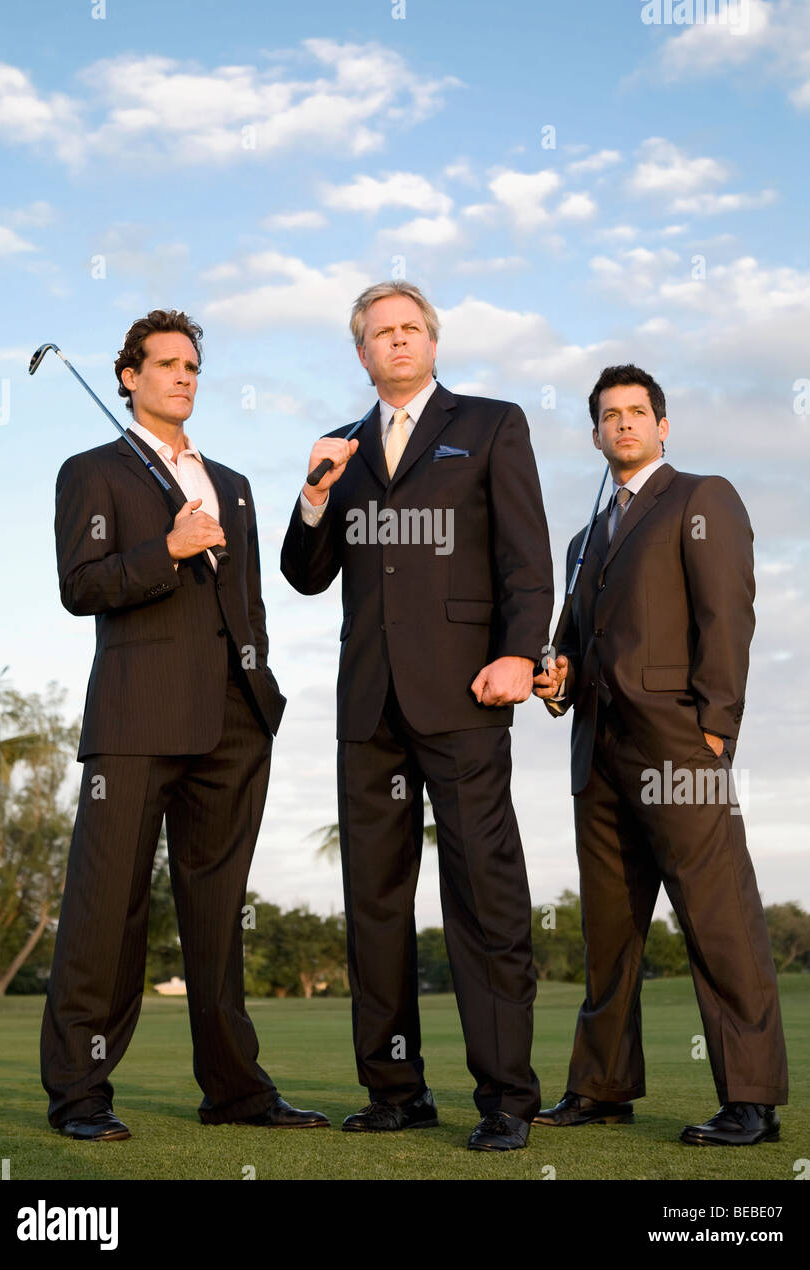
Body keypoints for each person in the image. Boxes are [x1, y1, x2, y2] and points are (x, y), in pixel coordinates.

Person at [41, 308, 328, 1139]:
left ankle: (237, 1094)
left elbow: (250, 604)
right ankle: (81, 1098)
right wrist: (163, 551)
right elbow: (80, 585)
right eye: (166, 364)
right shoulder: (91, 471)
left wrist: (260, 687)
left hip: (233, 725)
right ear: (128, 376)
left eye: (193, 366)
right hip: (135, 722)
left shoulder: (232, 483)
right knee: (106, 914)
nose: (183, 377)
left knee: (218, 919)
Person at [281, 281, 553, 1151]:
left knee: (485, 893)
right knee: (374, 902)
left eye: (409, 330)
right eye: (378, 334)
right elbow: (303, 573)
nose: (396, 343)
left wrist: (520, 650)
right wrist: (315, 496)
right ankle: (396, 1091)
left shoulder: (491, 423)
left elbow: (525, 553)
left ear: (431, 343)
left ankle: (508, 1097)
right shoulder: (343, 446)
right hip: (368, 703)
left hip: (466, 690)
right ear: (361, 353)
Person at [533, 363, 787, 1146]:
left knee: (719, 924)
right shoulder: (583, 537)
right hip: (598, 759)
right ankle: (603, 1087)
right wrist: (558, 678)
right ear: (596, 431)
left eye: (637, 412)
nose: (623, 425)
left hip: (680, 749)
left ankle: (751, 1100)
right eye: (609, 415)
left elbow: (727, 614)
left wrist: (716, 730)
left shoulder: (701, 499)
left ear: (663, 424)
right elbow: (575, 644)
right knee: (608, 937)